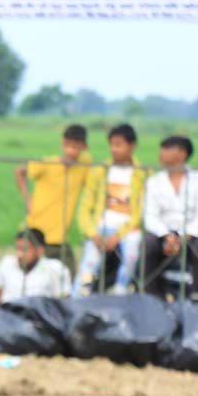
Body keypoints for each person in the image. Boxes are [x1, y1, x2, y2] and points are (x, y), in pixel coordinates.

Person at [140, 136, 198, 297]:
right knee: (148, 245)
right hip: (163, 232)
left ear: (182, 154)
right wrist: (167, 236)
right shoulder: (154, 181)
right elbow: (150, 215)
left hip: (192, 233)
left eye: (167, 149)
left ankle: (196, 296)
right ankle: (152, 296)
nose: (161, 153)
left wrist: (184, 236)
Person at [72, 123, 145, 297]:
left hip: (128, 229)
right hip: (101, 228)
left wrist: (118, 235)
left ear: (132, 145)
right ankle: (78, 299)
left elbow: (139, 212)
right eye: (112, 145)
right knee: (89, 265)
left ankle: (121, 292)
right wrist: (93, 233)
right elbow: (85, 206)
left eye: (118, 145)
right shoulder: (100, 171)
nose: (114, 149)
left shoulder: (141, 174)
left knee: (131, 255)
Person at [14, 123, 91, 271]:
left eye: (75, 147)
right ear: (62, 144)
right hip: (35, 233)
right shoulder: (47, 163)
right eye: (67, 145)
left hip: (60, 238)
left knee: (68, 276)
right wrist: (28, 199)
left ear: (84, 147)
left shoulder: (84, 165)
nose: (70, 151)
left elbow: (88, 159)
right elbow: (19, 172)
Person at [0, 227, 72, 305]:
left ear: (40, 250)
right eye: (17, 249)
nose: (19, 254)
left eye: (25, 250)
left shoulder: (55, 269)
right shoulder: (7, 264)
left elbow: (63, 305)